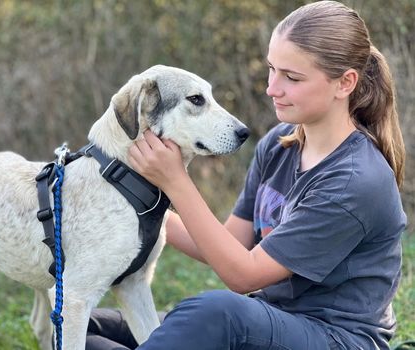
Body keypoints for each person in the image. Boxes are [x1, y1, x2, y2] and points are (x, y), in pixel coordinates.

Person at [86, 1, 407, 349]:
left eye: (292, 78)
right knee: (88, 326)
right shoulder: (279, 145)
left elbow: (243, 274)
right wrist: (125, 197)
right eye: (272, 69)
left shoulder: (356, 180)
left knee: (214, 313)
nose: (272, 88)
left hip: (336, 338)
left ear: (344, 83)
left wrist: (174, 181)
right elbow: (232, 244)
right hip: (271, 320)